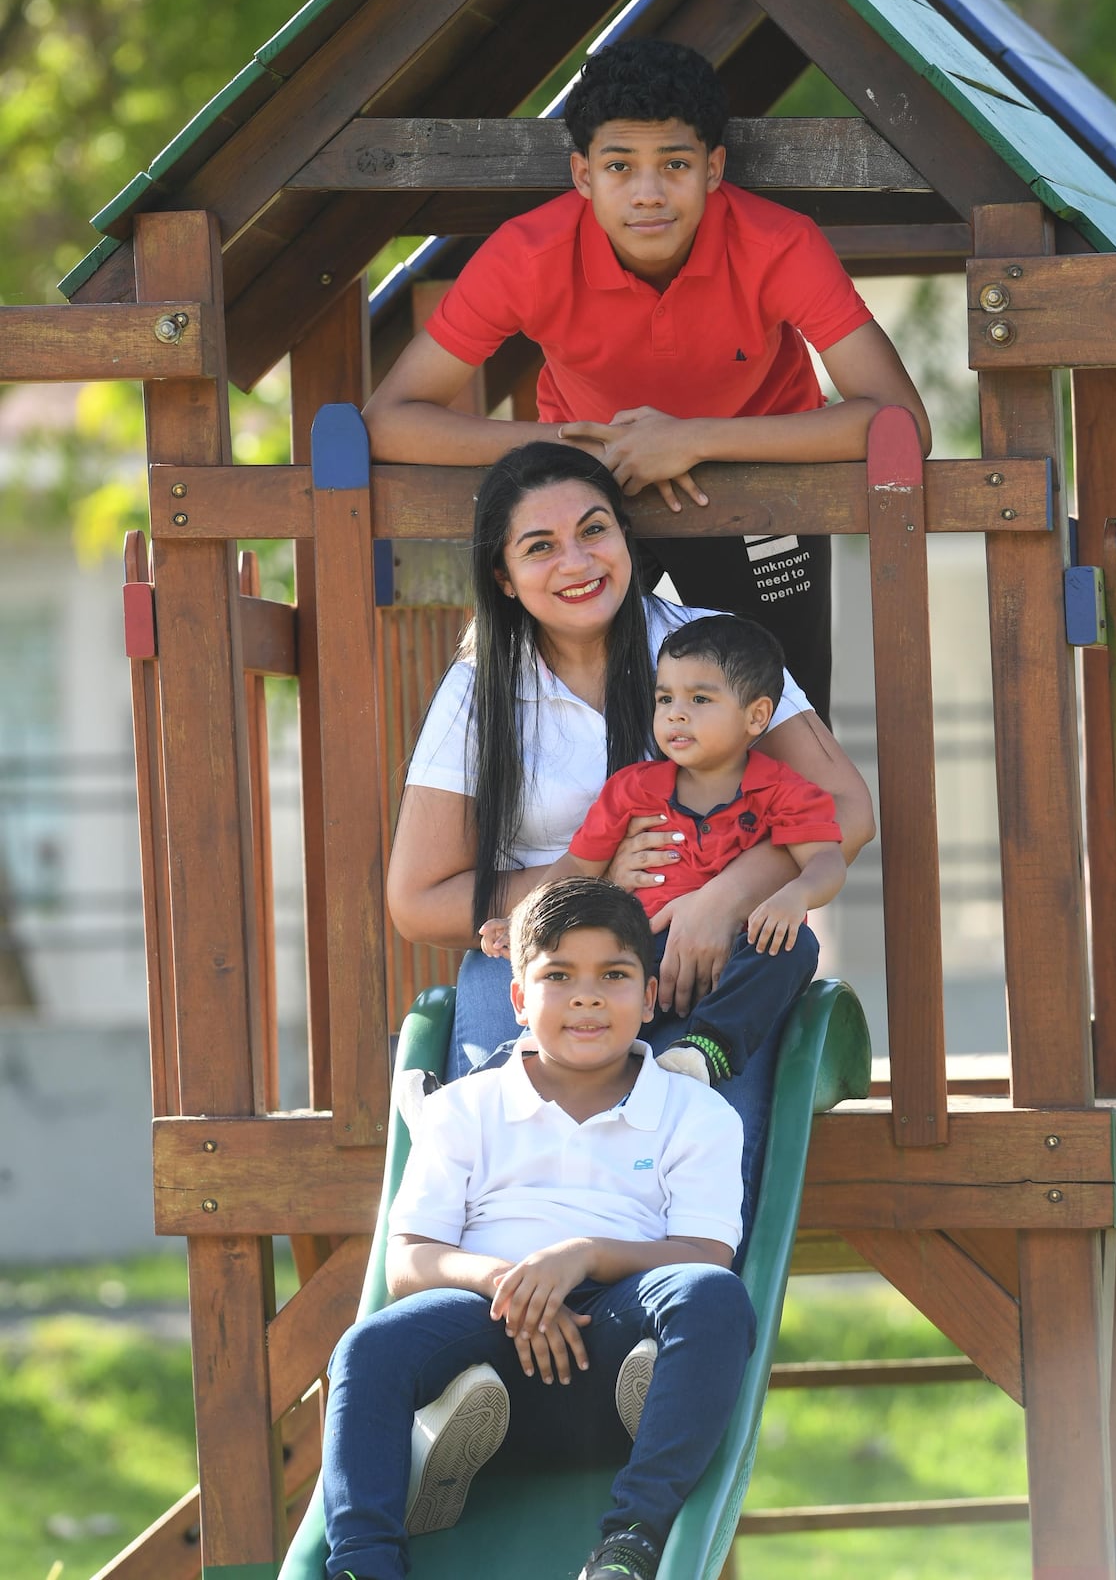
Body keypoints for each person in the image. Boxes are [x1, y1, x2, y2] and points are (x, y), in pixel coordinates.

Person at [362, 38, 931, 720]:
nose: (649, 193)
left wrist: (693, 440)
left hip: (764, 484)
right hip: (595, 489)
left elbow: (902, 422)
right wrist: (567, 452)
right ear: (582, 176)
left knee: (778, 721)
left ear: (714, 168)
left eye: (675, 164)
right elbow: (388, 419)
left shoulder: (780, 244)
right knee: (573, 720)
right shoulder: (526, 255)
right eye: (620, 166)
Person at [387, 439, 873, 1205]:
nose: (577, 562)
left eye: (594, 531)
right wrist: (584, 892)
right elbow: (417, 899)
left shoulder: (705, 648)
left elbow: (844, 810)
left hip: (696, 960)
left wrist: (725, 897)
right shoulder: (477, 692)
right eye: (540, 547)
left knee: (695, 1149)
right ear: (503, 578)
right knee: (508, 1169)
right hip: (543, 954)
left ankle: (677, 1305)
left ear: (626, 540)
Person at [321, 875, 755, 1580]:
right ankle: (365, 1564)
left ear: (648, 999)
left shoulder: (695, 1113)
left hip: (614, 1327)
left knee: (711, 1299)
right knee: (368, 1346)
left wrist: (580, 1257)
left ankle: (629, 1541)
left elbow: (707, 1252)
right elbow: (409, 1260)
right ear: (519, 1000)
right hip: (482, 1322)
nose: (586, 997)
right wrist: (510, 1281)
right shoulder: (462, 1109)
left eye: (613, 975)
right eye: (559, 976)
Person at [478, 612, 846, 1087]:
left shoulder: (784, 791)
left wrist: (797, 896)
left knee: (796, 945)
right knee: (578, 977)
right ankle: (479, 1087)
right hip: (642, 953)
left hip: (734, 954)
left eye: (699, 699)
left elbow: (825, 859)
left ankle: (705, 1050)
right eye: (665, 698)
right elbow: (578, 866)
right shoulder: (633, 789)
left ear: (756, 715)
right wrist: (523, 918)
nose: (675, 713)